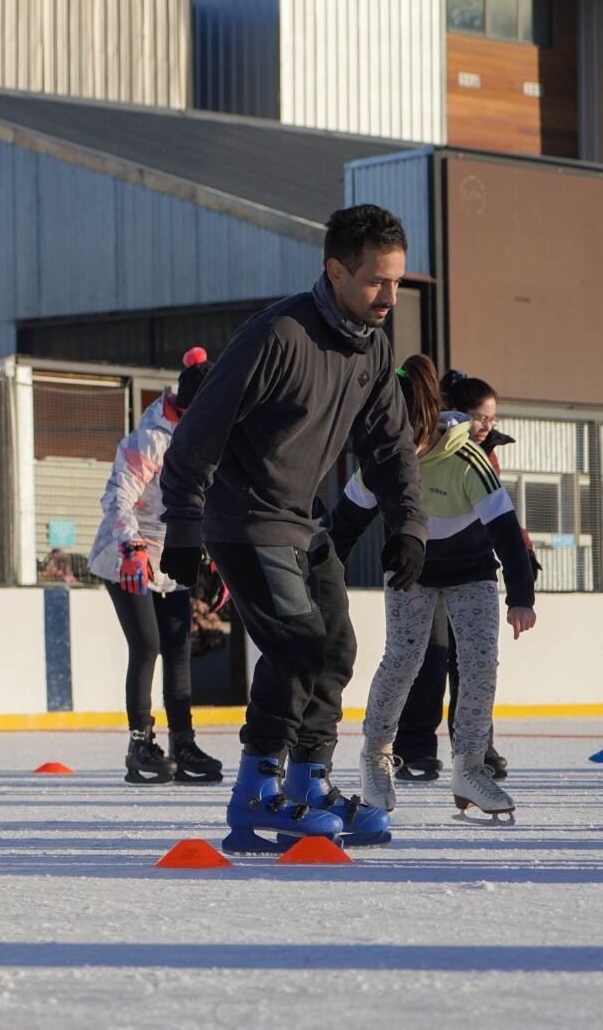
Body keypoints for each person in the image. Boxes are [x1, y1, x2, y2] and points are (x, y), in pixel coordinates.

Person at [158, 204, 426, 852]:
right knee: (297, 647)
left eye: (397, 281)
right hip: (244, 518)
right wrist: (185, 528)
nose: (390, 296)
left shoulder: (372, 347)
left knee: (334, 650)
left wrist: (409, 524)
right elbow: (198, 432)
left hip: (302, 523)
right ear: (335, 271)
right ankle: (255, 795)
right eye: (375, 282)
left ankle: (309, 788)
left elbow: (389, 447)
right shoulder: (278, 335)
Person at [333, 355, 536, 820]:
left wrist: (522, 596)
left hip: (471, 572)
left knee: (480, 663)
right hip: (411, 571)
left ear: (427, 424)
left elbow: (507, 531)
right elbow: (343, 526)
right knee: (403, 659)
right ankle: (375, 756)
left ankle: (468, 764)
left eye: (413, 440)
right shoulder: (384, 459)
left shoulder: (469, 461)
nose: (405, 452)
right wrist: (322, 576)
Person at [88, 348, 224, 785]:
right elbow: (117, 497)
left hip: (174, 553)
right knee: (147, 646)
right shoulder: (151, 438)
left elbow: (209, 500)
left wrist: (218, 560)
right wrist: (132, 549)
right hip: (127, 555)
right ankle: (139, 744)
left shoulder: (206, 434)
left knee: (179, 647)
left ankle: (183, 742)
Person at [393, 369, 529, 782]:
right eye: (480, 417)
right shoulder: (428, 449)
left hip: (471, 570)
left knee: (473, 664)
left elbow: (498, 517)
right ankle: (413, 748)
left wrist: (521, 557)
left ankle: (474, 748)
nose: (488, 426)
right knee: (427, 660)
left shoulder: (484, 454)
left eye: (492, 418)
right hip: (424, 569)